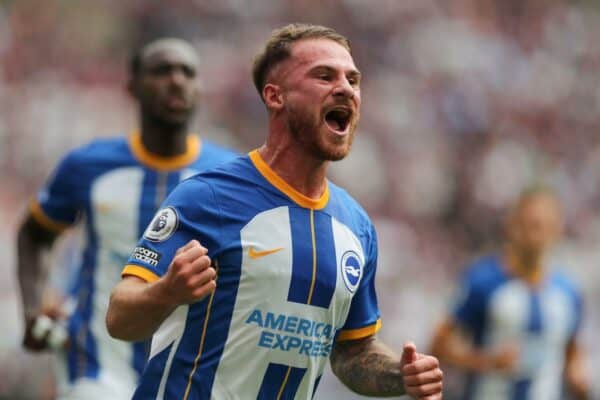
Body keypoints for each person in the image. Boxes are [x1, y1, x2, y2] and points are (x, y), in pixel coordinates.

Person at [106, 23, 443, 399]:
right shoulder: (207, 198)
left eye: (353, 79)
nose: (346, 88)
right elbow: (120, 316)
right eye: (323, 75)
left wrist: (401, 375)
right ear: (275, 96)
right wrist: (167, 291)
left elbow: (352, 351)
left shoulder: (356, 227)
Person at [16, 37, 237, 399]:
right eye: (162, 70)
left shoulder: (227, 175)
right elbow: (33, 234)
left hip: (185, 375)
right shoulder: (89, 166)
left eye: (188, 72)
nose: (177, 80)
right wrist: (32, 308)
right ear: (132, 86)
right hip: (96, 365)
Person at [430, 187, 589, 400]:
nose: (534, 236)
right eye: (527, 225)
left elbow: (571, 351)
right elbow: (439, 346)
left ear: (556, 231)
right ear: (511, 226)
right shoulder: (482, 281)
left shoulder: (568, 293)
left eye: (541, 226)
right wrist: (486, 362)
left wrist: (579, 379)